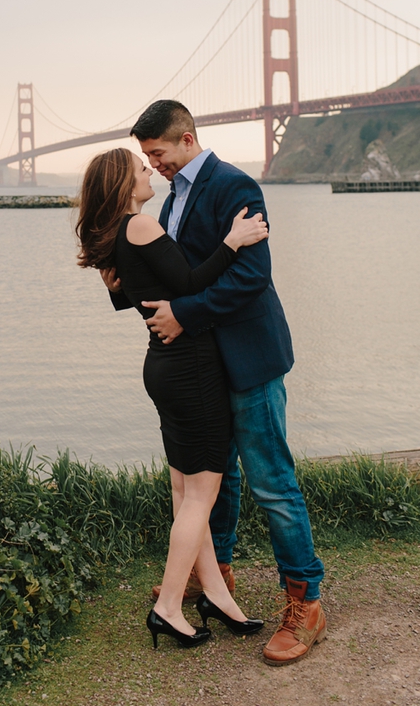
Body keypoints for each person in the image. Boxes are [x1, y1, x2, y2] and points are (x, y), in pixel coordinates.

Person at [103, 100, 326, 666]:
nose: (154, 166)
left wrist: (183, 315)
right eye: (147, 159)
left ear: (187, 139)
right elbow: (170, 274)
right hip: (203, 367)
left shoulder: (235, 184)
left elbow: (253, 277)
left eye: (158, 154)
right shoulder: (172, 197)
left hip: (249, 356)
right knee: (215, 480)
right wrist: (119, 280)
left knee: (271, 480)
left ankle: (306, 600)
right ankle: (214, 578)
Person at [76, 146, 268, 649]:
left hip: (163, 367)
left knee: (186, 492)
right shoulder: (137, 225)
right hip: (191, 368)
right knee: (201, 494)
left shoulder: (117, 237)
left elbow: (129, 297)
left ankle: (217, 599)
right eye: (140, 168)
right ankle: (167, 607)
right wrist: (233, 240)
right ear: (123, 182)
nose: (149, 172)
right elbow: (186, 284)